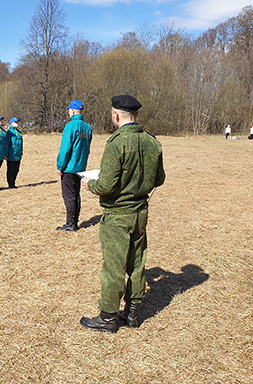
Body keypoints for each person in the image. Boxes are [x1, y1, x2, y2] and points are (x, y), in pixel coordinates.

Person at [79, 95, 166, 333]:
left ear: (116, 116)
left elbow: (106, 184)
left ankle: (107, 317)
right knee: (137, 263)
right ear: (136, 115)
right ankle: (131, 314)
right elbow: (160, 178)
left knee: (114, 266)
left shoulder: (117, 143)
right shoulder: (152, 142)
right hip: (140, 211)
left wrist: (90, 185)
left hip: (118, 214)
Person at [56, 100, 93, 231]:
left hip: (69, 167)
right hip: (81, 166)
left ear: (71, 111)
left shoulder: (70, 126)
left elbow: (65, 149)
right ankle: (75, 221)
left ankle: (70, 224)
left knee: (69, 196)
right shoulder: (88, 127)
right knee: (76, 195)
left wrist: (60, 166)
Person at [5, 117, 23, 189]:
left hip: (18, 154)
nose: (17, 124)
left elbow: (21, 144)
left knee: (16, 169)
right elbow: (7, 144)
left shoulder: (19, 132)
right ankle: (10, 184)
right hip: (11, 154)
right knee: (11, 170)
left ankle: (14, 182)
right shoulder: (9, 132)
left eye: (17, 122)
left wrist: (21, 152)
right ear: (11, 123)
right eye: (16, 122)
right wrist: (6, 154)